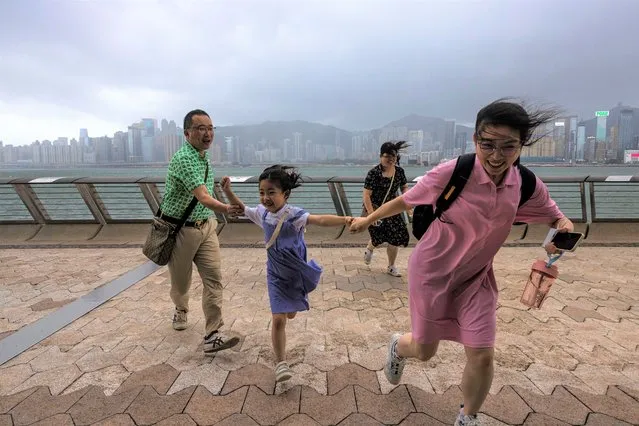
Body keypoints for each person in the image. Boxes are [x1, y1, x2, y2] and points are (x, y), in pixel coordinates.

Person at [350, 99, 574, 426]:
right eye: (488, 145)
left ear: (521, 145)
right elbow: (405, 200)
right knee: (425, 350)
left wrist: (564, 229)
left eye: (508, 147)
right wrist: (368, 219)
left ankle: (467, 417)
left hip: (477, 280)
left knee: (483, 355)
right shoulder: (455, 172)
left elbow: (556, 216)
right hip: (431, 274)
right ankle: (398, 346)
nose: (497, 156)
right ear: (475, 140)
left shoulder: (525, 184)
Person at [221, 165, 354, 382]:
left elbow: (320, 220)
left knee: (290, 313)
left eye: (271, 192)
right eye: (262, 192)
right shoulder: (262, 214)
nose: (265, 198)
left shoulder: (294, 216)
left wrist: (345, 220)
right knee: (279, 319)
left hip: (296, 273)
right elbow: (242, 208)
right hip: (275, 276)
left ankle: (291, 307)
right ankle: (281, 363)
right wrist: (227, 191)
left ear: (285, 194)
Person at [159, 109, 242, 357]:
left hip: (205, 226)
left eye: (210, 128)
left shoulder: (203, 157)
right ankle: (181, 308)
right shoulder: (184, 158)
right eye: (201, 128)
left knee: (214, 279)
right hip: (181, 231)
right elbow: (203, 196)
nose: (207, 133)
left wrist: (223, 191)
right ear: (187, 133)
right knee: (181, 283)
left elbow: (205, 196)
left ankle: (213, 335)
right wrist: (226, 208)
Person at [362, 141, 412, 277]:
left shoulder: (399, 172)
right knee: (378, 238)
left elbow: (404, 188)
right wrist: (371, 214)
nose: (390, 159)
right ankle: (369, 249)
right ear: (380, 156)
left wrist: (408, 206)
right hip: (375, 208)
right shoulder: (374, 173)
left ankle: (391, 266)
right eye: (387, 156)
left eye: (393, 156)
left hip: (392, 208)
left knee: (395, 237)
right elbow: (366, 195)